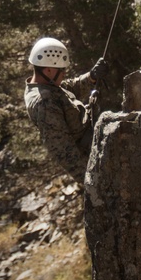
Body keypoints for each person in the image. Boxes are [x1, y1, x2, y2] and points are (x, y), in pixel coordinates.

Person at [23, 37, 107, 178]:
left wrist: (92, 76)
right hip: (93, 152)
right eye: (61, 70)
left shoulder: (45, 85)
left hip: (95, 138)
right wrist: (91, 180)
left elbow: (68, 88)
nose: (64, 73)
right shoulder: (44, 102)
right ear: (49, 70)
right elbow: (62, 150)